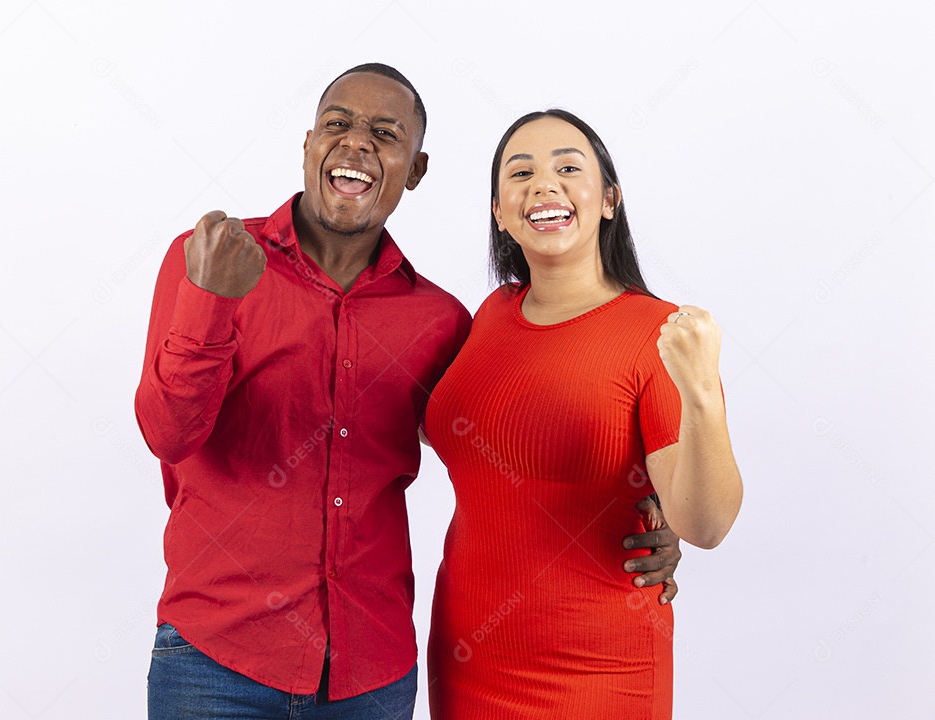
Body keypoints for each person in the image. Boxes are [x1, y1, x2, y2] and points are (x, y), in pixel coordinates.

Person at [136, 65, 682, 719]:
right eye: (337, 124)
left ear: (415, 169)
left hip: (372, 675)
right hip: (216, 662)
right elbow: (168, 434)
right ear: (308, 144)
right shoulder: (211, 259)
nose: (357, 143)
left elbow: (500, 449)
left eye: (384, 133)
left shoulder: (442, 321)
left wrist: (646, 501)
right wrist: (214, 303)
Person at [426, 110, 743, 719]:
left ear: (608, 200)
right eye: (521, 173)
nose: (544, 185)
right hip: (467, 659)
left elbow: (704, 525)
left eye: (568, 168)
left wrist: (703, 397)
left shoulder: (656, 332)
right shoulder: (491, 315)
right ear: (499, 210)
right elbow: (464, 432)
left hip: (597, 673)